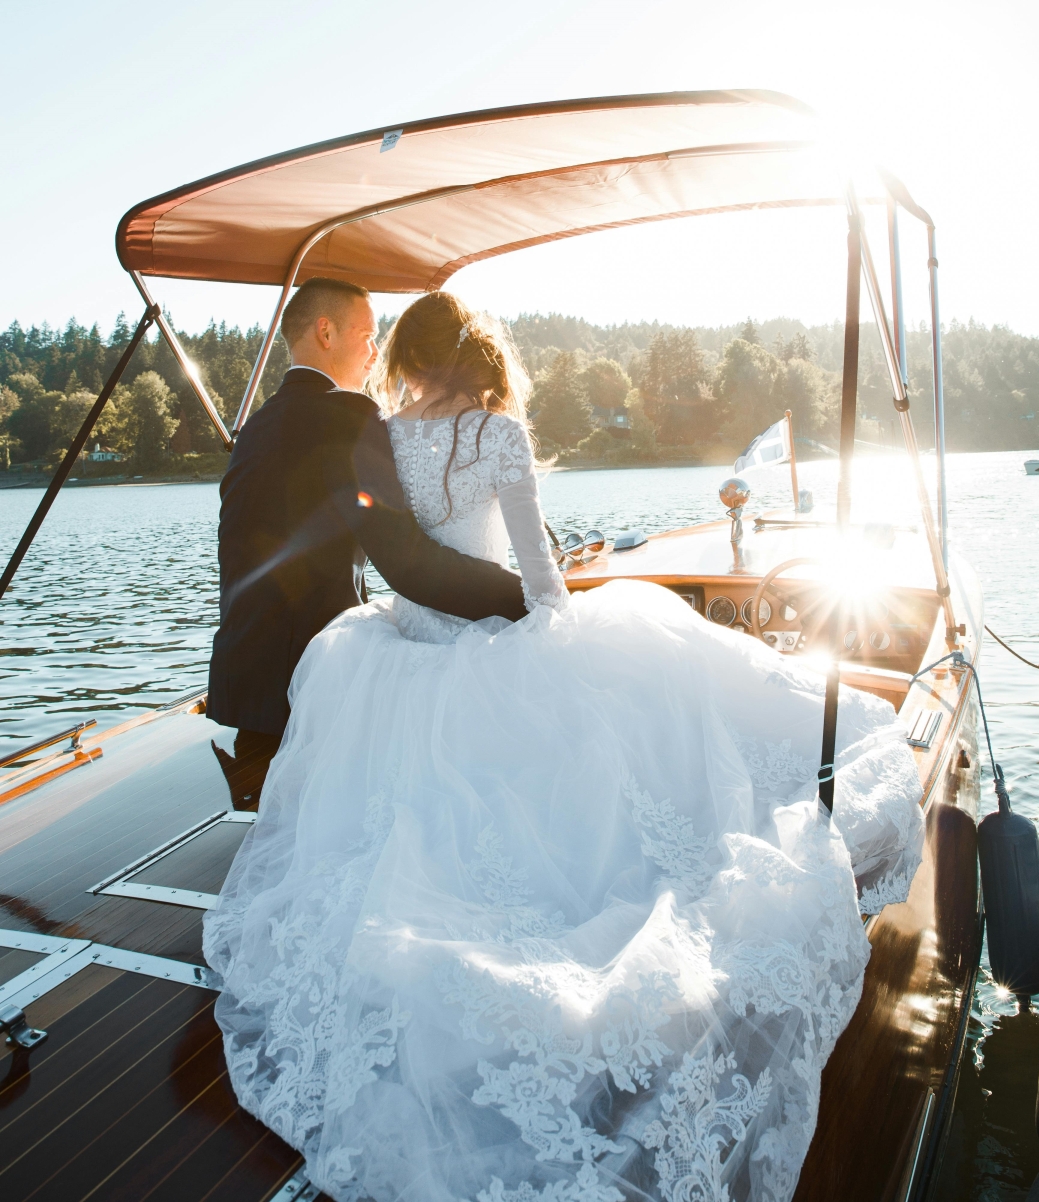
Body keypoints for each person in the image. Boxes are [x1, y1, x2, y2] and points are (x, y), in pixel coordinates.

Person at [203, 292, 925, 1202]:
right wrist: (549, 612)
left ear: (409, 364)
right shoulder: (494, 437)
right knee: (604, 745)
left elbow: (397, 557)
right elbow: (538, 569)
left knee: (420, 819)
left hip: (403, 645)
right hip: (492, 618)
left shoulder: (375, 435)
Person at [207, 279, 526, 801]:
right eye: (368, 335)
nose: (377, 353)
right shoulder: (349, 417)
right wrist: (527, 600)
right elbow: (409, 565)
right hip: (314, 685)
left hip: (242, 684)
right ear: (325, 332)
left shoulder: (259, 425)